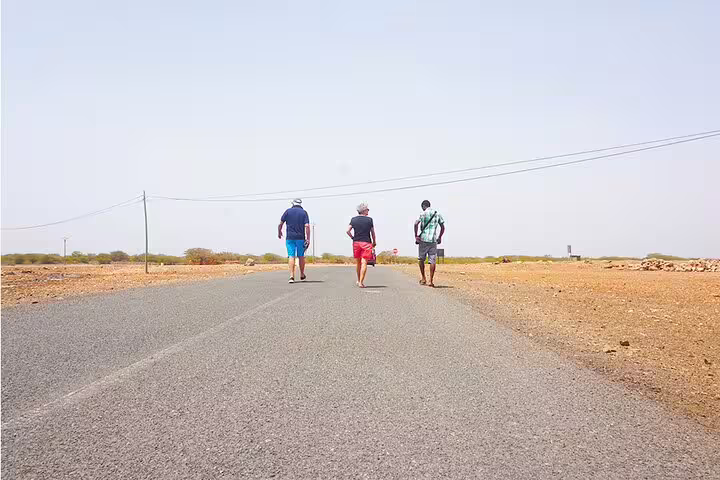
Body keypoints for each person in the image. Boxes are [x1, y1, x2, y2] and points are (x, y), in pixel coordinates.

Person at [414, 199, 445, 287]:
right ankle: (431, 281)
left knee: (421, 259)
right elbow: (442, 227)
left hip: (423, 239)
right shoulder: (437, 214)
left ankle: (424, 278)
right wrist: (440, 237)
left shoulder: (422, 214)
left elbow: (416, 224)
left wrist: (416, 236)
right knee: (432, 260)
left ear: (423, 206)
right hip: (433, 240)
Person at [278, 198, 310, 283]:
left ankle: (291, 276)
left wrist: (279, 232)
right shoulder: (304, 212)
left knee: (291, 256)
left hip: (290, 238)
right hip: (300, 238)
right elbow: (307, 226)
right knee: (301, 256)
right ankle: (302, 274)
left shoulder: (287, 211)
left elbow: (280, 223)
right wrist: (308, 238)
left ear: (292, 204)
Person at [346, 202, 376, 288]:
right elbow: (373, 232)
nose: (368, 211)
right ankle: (361, 282)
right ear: (363, 210)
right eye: (367, 209)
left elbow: (348, 231)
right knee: (364, 262)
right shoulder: (369, 220)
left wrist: (353, 237)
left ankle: (358, 280)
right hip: (366, 242)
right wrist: (374, 242)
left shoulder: (353, 219)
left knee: (358, 262)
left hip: (356, 242)